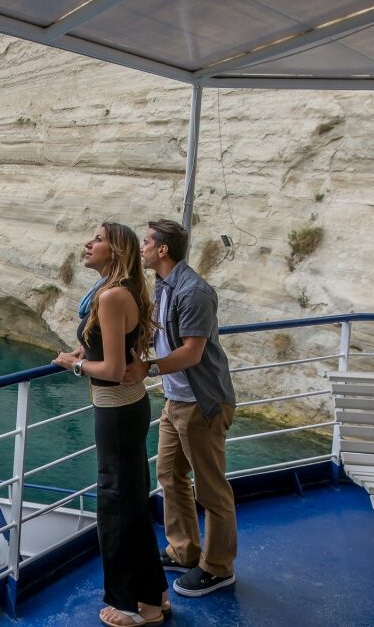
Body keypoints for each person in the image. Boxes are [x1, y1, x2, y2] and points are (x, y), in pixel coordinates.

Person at [52, 222, 169, 627]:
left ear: (116, 253)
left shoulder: (112, 296)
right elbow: (113, 347)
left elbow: (115, 369)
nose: (88, 243)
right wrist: (84, 350)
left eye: (98, 239)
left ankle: (130, 606)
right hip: (125, 409)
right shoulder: (116, 292)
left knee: (117, 507)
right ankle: (154, 599)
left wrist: (75, 364)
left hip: (117, 411)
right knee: (131, 504)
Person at [123, 218, 238, 597]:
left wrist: (147, 369)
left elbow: (191, 352)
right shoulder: (164, 285)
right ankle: (184, 550)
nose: (141, 247)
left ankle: (218, 567)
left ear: (163, 250)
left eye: (146, 242)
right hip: (176, 401)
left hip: (202, 403)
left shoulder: (194, 292)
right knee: (170, 477)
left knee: (212, 490)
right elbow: (160, 335)